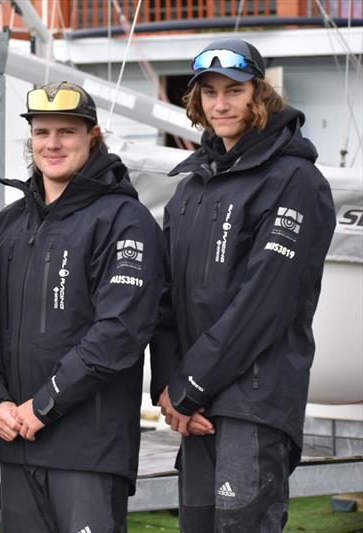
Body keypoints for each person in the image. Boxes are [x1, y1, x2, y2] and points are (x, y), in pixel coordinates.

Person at [150, 38, 337, 532]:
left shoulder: (295, 180)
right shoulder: (189, 190)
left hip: (254, 404)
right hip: (194, 408)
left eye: (234, 90)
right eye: (209, 92)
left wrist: (189, 385)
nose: (221, 104)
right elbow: (164, 300)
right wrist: (169, 391)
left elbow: (265, 303)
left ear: (261, 94)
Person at [0, 81, 165, 533]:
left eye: (67, 132)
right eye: (42, 132)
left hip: (88, 450)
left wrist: (44, 405)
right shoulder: (8, 225)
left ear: (92, 137)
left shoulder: (124, 220)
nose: (52, 144)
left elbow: (119, 333)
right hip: (18, 444)